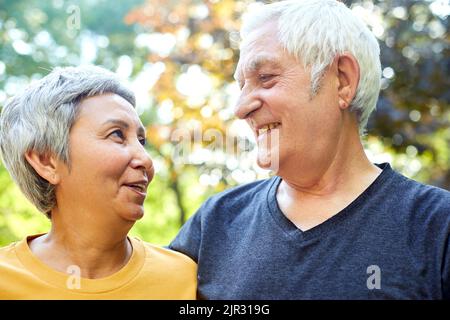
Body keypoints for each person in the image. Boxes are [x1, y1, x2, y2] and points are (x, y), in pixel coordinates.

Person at [169, 0, 450, 299]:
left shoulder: (437, 227)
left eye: (265, 78)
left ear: (342, 80)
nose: (240, 108)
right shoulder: (215, 222)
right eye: (241, 86)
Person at [0, 66, 196, 299]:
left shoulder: (183, 277)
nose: (145, 159)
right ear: (47, 161)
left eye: (142, 141)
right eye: (117, 134)